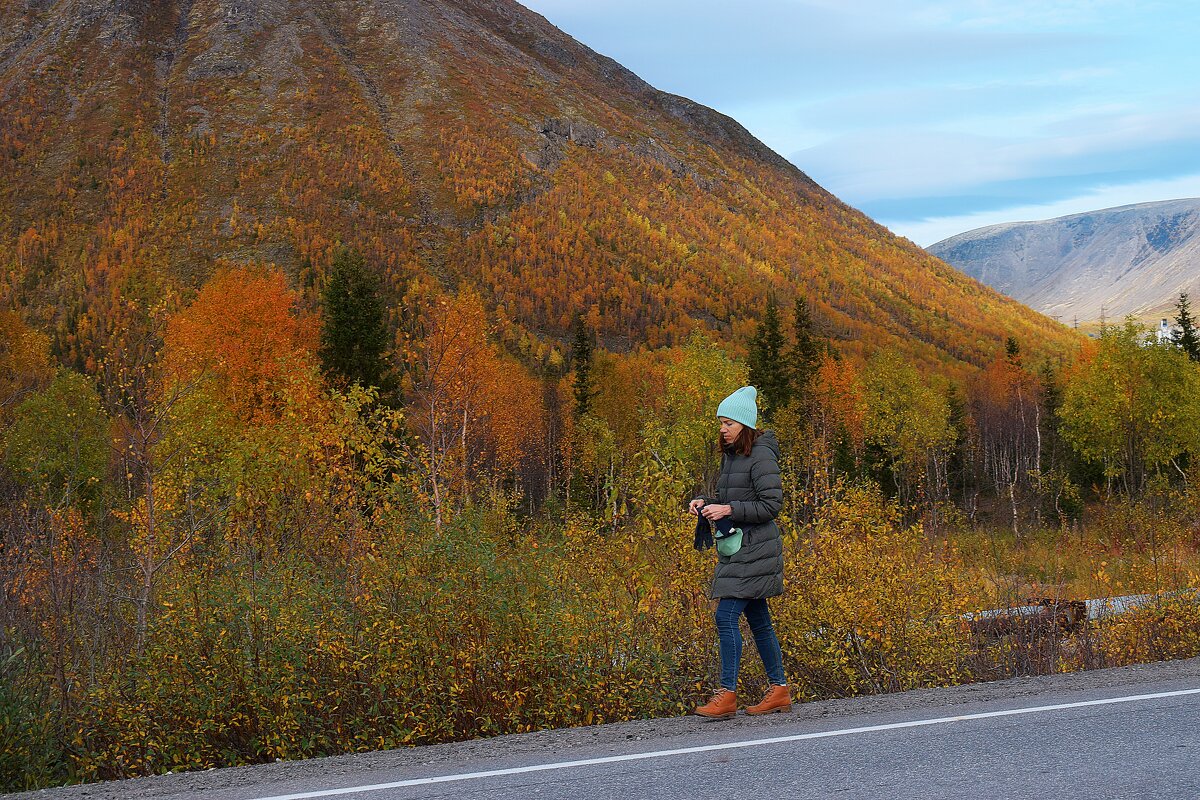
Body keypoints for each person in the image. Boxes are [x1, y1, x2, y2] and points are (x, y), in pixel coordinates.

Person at [688, 385, 790, 719]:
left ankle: (727, 695)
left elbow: (771, 505)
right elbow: (729, 495)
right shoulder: (733, 457)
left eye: (729, 423)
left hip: (755, 549)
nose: (722, 428)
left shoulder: (760, 455)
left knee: (725, 616)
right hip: (740, 549)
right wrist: (707, 502)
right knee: (759, 620)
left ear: (745, 425)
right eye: (720, 422)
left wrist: (728, 508)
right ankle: (779, 690)